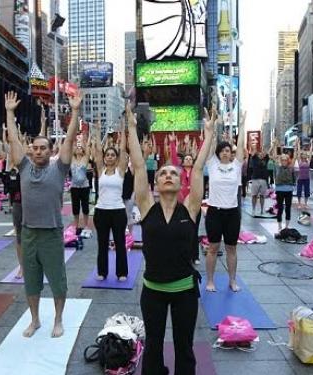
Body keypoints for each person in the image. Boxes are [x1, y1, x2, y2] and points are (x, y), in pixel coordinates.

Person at [128, 103, 215, 375]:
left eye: (173, 173)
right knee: (153, 347)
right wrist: (131, 128)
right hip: (152, 291)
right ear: (156, 183)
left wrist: (209, 133)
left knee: (183, 347)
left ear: (181, 182)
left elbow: (199, 169)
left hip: (184, 293)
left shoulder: (189, 208)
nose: (167, 175)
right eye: (163, 173)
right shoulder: (146, 206)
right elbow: (139, 166)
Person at [4, 90, 81, 338]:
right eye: (34, 148)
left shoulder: (59, 168)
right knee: (32, 280)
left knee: (57, 279)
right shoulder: (24, 166)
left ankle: (58, 319)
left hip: (51, 233)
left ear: (50, 151)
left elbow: (68, 142)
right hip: (28, 233)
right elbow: (14, 142)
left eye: (42, 148)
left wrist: (75, 111)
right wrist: (9, 112)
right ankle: (35, 319)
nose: (37, 151)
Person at [204, 111, 245, 293]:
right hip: (214, 212)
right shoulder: (212, 164)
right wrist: (211, 126)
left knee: (231, 248)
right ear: (219, 153)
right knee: (213, 247)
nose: (226, 153)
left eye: (228, 150)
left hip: (232, 213)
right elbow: (209, 143)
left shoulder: (236, 165)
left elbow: (242, 147)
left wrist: (242, 126)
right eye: (223, 150)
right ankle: (210, 280)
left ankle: (232, 280)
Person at [92, 119, 129, 282]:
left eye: (112, 155)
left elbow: (123, 150)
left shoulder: (120, 171)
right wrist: (98, 131)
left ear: (116, 158)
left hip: (118, 211)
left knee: (120, 243)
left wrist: (122, 131)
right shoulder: (100, 170)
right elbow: (98, 151)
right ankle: (102, 272)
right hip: (101, 211)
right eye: (107, 155)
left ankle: (121, 273)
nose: (109, 157)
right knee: (102, 243)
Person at [270, 139, 297, 232]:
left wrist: (297, 146)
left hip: (288, 190)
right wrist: (274, 145)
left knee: (288, 208)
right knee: (280, 208)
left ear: (288, 160)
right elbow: (274, 156)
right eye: (283, 160)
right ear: (281, 160)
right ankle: (279, 225)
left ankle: (287, 226)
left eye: (286, 160)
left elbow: (295, 156)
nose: (284, 161)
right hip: (280, 190)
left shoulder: (290, 167)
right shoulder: (278, 166)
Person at [70, 141, 92, 236]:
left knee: (85, 206)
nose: (78, 148)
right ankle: (76, 224)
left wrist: (87, 138)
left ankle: (86, 225)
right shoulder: (71, 159)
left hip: (84, 186)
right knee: (75, 207)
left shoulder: (85, 158)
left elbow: (87, 149)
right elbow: (70, 145)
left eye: (80, 148)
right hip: (74, 187)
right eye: (77, 147)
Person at [247, 145, 270, 216]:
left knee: (262, 196)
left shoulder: (265, 159)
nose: (261, 154)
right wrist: (253, 147)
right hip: (255, 179)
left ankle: (262, 209)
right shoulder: (254, 158)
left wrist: (273, 145)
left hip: (263, 180)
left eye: (262, 153)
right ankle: (253, 209)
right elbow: (253, 152)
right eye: (259, 153)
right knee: (254, 195)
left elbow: (267, 152)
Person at [295, 141, 313, 210]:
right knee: (299, 191)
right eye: (303, 154)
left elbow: (310, 153)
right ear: (302, 155)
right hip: (300, 178)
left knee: (307, 191)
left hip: (307, 179)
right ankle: (299, 203)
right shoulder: (299, 161)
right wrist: (298, 144)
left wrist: (311, 144)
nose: (305, 155)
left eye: (306, 154)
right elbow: (299, 152)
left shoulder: (308, 161)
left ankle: (305, 204)